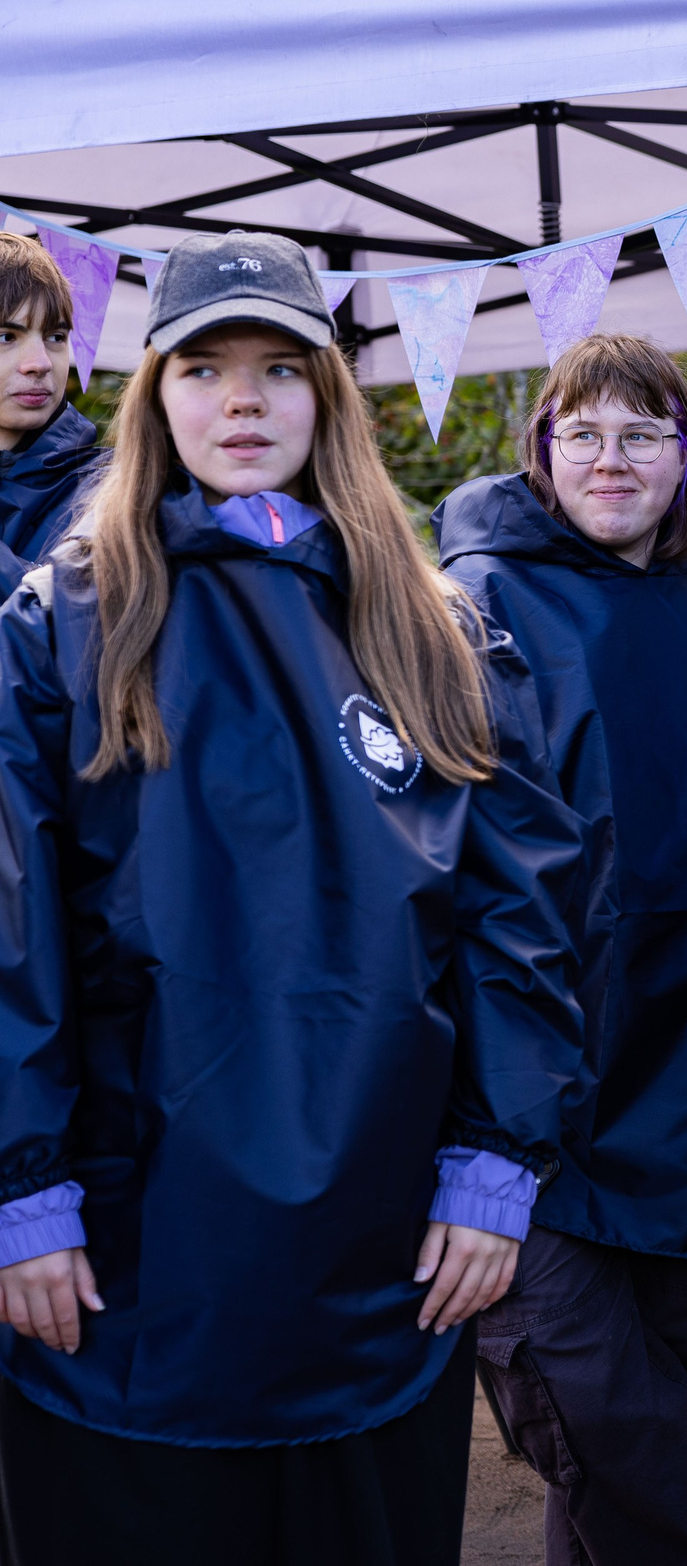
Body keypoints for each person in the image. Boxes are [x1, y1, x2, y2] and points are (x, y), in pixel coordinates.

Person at [0, 232, 588, 1563]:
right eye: (204, 368)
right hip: (126, 1242)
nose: (243, 400)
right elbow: (10, 919)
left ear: (331, 394)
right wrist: (17, 1183)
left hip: (379, 1244)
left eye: (280, 367)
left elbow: (522, 914)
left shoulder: (432, 624)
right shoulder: (62, 621)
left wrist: (497, 1158)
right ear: (155, 396)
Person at [434, 334, 687, 1566]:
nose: (612, 459)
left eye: (642, 433)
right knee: (582, 1392)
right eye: (581, 434)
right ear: (541, 452)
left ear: (685, 457)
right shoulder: (473, 607)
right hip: (533, 1084)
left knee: (680, 1384)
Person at [0, 233, 109, 590]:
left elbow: (69, 626)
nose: (40, 363)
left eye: (55, 337)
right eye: (6, 337)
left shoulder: (115, 487)